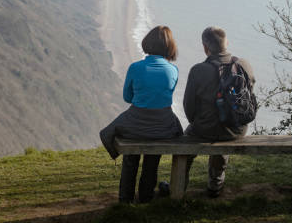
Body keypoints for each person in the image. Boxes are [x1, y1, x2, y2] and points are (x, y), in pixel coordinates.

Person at [100, 25, 183, 203]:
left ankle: (125, 200)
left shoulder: (135, 68)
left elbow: (127, 97)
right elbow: (165, 96)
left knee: (130, 160)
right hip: (163, 126)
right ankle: (146, 197)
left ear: (148, 43)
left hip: (136, 124)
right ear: (169, 47)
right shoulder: (173, 70)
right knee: (152, 163)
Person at [182, 26, 256, 197]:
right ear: (226, 43)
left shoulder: (198, 70)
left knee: (186, 146)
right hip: (236, 130)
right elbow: (250, 96)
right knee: (224, 127)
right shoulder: (244, 65)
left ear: (205, 47)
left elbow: (189, 107)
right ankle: (215, 185)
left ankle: (179, 183)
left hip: (204, 129)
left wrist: (198, 123)